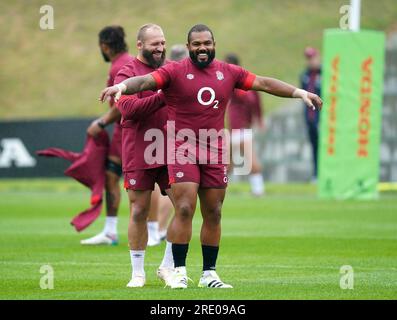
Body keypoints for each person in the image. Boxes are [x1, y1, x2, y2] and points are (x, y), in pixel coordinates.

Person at [100, 24, 322, 289]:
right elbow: (146, 81)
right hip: (180, 148)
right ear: (189, 46)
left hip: (214, 149)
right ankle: (178, 271)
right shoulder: (175, 70)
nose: (202, 48)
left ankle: (209, 274)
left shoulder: (228, 72)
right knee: (183, 207)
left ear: (214, 44)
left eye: (206, 43)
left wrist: (300, 93)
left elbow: (262, 83)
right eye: (196, 44)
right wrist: (123, 86)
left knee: (214, 212)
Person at [113, 24, 174, 288]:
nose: (160, 48)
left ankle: (169, 267)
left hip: (170, 148)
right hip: (139, 149)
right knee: (138, 210)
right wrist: (162, 97)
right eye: (154, 44)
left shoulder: (170, 69)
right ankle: (138, 272)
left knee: (184, 206)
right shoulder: (126, 72)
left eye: (162, 43)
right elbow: (129, 110)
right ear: (139, 45)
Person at [81, 26, 134, 246]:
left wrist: (100, 123)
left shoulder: (119, 67)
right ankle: (151, 230)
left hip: (126, 131)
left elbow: (122, 106)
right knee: (121, 178)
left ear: (104, 46)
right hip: (128, 130)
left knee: (119, 179)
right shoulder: (128, 61)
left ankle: (115, 231)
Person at [157, 44, 189, 241]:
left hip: (158, 136)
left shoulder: (164, 74)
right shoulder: (179, 77)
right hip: (175, 138)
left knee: (166, 188)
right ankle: (160, 230)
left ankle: (157, 229)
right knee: (176, 190)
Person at [225, 53, 265, 196]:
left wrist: (259, 120)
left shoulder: (241, 82)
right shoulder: (231, 83)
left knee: (249, 161)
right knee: (227, 163)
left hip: (242, 129)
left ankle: (258, 190)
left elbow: (255, 102)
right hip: (233, 129)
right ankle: (219, 189)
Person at [300, 47, 321, 181]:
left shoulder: (326, 73)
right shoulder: (304, 75)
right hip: (310, 117)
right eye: (308, 58)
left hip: (323, 117)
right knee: (314, 146)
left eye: (312, 57)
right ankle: (316, 174)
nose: (311, 61)